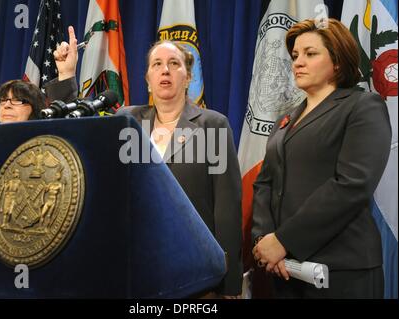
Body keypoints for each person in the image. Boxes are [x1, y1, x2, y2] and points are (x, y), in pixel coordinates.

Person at [50, 29, 243, 297]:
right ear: (148, 80)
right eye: (157, 64)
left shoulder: (213, 125)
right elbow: (82, 131)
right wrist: (66, 74)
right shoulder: (127, 121)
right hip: (133, 266)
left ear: (187, 78)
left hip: (194, 271)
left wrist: (229, 281)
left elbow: (227, 208)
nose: (165, 70)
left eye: (174, 64)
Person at [251, 18, 391, 298]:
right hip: (284, 269)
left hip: (341, 270)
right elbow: (264, 184)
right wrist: (265, 241)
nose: (298, 62)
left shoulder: (363, 106)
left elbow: (352, 184)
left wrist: (284, 240)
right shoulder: (284, 119)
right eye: (295, 55)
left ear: (337, 61)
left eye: (310, 53)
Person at [0, 26, 79, 215]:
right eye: (3, 100)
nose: (7, 105)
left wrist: (66, 75)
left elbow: (66, 129)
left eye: (18, 100)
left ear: (35, 109)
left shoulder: (44, 148)